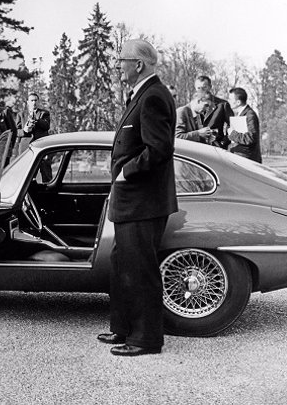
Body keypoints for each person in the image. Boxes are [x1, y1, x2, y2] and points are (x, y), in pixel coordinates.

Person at [99, 39, 178, 357]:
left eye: (122, 60)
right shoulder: (143, 94)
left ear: (139, 64)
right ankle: (123, 328)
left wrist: (125, 172)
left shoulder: (154, 96)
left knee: (140, 269)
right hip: (133, 201)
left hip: (143, 201)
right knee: (122, 265)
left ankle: (145, 340)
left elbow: (158, 149)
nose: (118, 65)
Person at [16, 92, 51, 181]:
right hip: (26, 148)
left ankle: (48, 193)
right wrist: (25, 130)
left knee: (46, 172)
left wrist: (36, 119)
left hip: (41, 147)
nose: (34, 102)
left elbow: (46, 126)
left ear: (38, 101)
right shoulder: (21, 114)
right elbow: (16, 131)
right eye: (31, 100)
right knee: (27, 175)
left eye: (35, 100)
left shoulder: (44, 113)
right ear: (27, 102)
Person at [195, 75, 234, 148]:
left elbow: (233, 126)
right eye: (198, 88)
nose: (201, 90)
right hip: (195, 148)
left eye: (204, 87)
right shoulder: (191, 106)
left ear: (210, 87)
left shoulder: (222, 105)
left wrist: (223, 142)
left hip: (215, 148)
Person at [227, 87, 262, 163]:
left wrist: (232, 134)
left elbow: (251, 138)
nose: (228, 101)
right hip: (242, 159)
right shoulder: (242, 114)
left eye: (230, 99)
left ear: (238, 102)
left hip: (248, 161)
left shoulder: (250, 115)